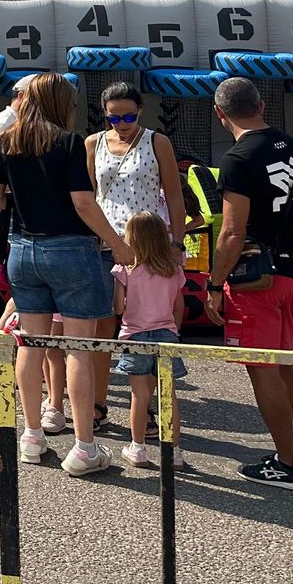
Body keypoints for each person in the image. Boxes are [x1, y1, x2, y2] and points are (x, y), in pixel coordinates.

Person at [0, 71, 129, 477]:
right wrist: (117, 243)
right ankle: (84, 447)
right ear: (60, 103)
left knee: (30, 342)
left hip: (22, 250)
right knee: (78, 347)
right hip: (70, 250)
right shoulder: (68, 142)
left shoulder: (3, 142)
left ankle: (31, 435)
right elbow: (83, 202)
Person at [206, 76, 293, 491]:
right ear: (262, 105)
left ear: (220, 114)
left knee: (262, 369)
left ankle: (289, 465)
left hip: (258, 279)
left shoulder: (237, 158)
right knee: (285, 359)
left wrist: (214, 283)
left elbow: (231, 232)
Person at [83, 82, 185, 431]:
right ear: (104, 115)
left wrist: (177, 243)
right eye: (114, 118)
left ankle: (148, 407)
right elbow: (88, 196)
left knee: (149, 325)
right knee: (102, 327)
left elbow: (175, 196)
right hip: (105, 242)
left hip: (149, 246)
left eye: (129, 116)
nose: (122, 124)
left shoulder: (157, 142)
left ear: (140, 111)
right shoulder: (93, 143)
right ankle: (97, 404)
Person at [112, 211, 189, 469]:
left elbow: (118, 308)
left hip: (135, 334)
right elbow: (179, 306)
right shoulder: (173, 269)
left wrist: (118, 282)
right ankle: (174, 451)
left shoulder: (125, 270)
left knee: (139, 395)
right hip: (167, 334)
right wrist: (173, 329)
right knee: (168, 395)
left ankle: (138, 448)